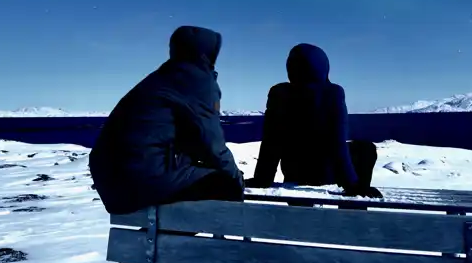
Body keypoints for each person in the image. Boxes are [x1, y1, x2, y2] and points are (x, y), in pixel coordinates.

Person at [89, 25, 244, 215]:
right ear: (207, 52)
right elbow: (212, 142)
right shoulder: (196, 81)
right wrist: (235, 178)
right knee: (226, 186)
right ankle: (175, 244)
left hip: (113, 184)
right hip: (139, 182)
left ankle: (165, 239)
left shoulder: (164, 77)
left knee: (204, 179)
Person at [245, 43, 382, 198]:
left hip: (294, 171)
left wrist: (261, 179)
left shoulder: (279, 93)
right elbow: (337, 144)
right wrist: (353, 185)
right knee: (366, 149)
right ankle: (354, 208)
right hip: (324, 173)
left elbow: (271, 143)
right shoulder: (333, 93)